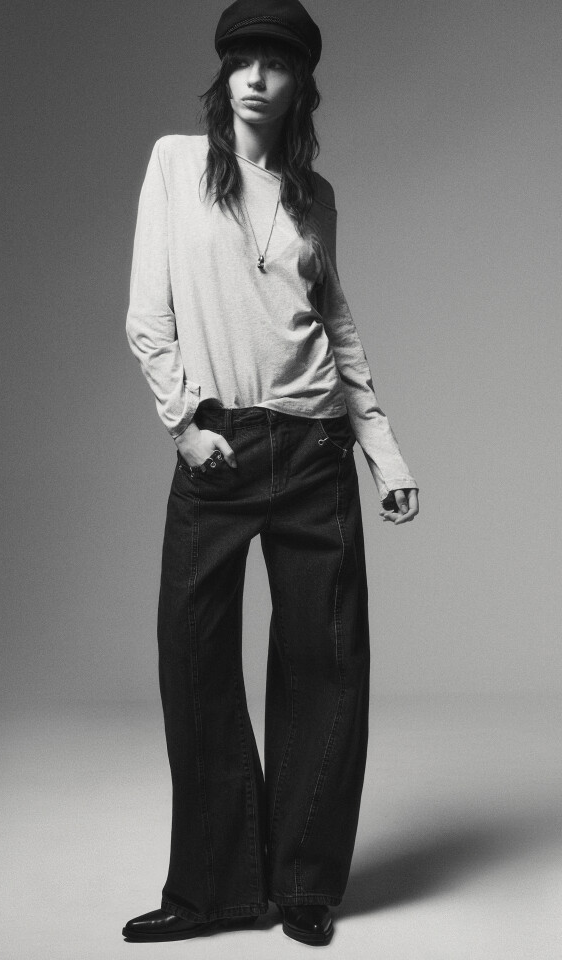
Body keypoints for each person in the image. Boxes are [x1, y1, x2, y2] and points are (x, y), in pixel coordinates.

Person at [122, 0, 419, 947]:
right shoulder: (177, 164)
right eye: (242, 60)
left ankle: (303, 886)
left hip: (317, 449)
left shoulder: (312, 196)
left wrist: (382, 450)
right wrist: (184, 425)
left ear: (302, 84)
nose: (256, 78)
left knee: (325, 668)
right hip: (220, 447)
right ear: (224, 73)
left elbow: (337, 327)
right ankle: (213, 891)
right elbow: (148, 314)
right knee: (194, 660)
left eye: (276, 64)